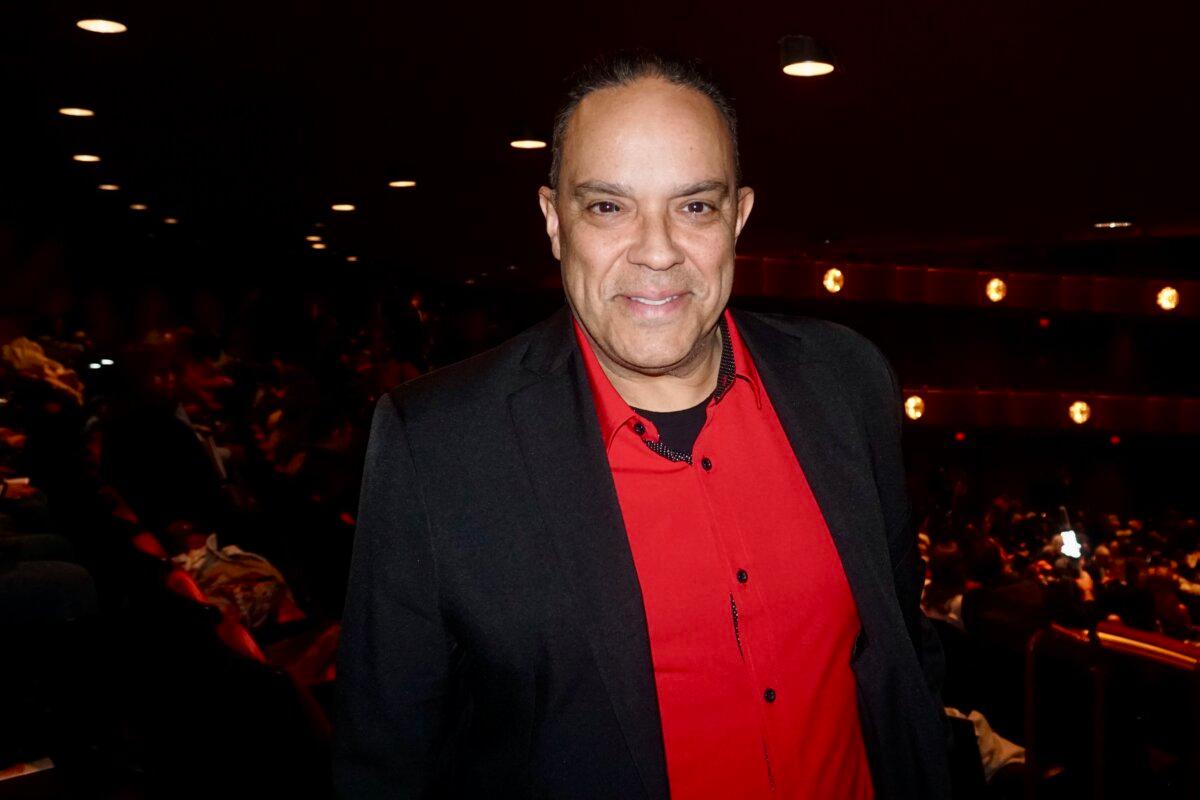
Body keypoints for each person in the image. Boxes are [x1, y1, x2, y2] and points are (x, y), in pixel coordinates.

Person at [333, 51, 951, 799]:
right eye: (607, 207)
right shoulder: (437, 444)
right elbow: (387, 762)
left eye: (695, 206)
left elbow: (901, 655)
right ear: (554, 221)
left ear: (738, 217)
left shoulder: (847, 380)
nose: (657, 252)